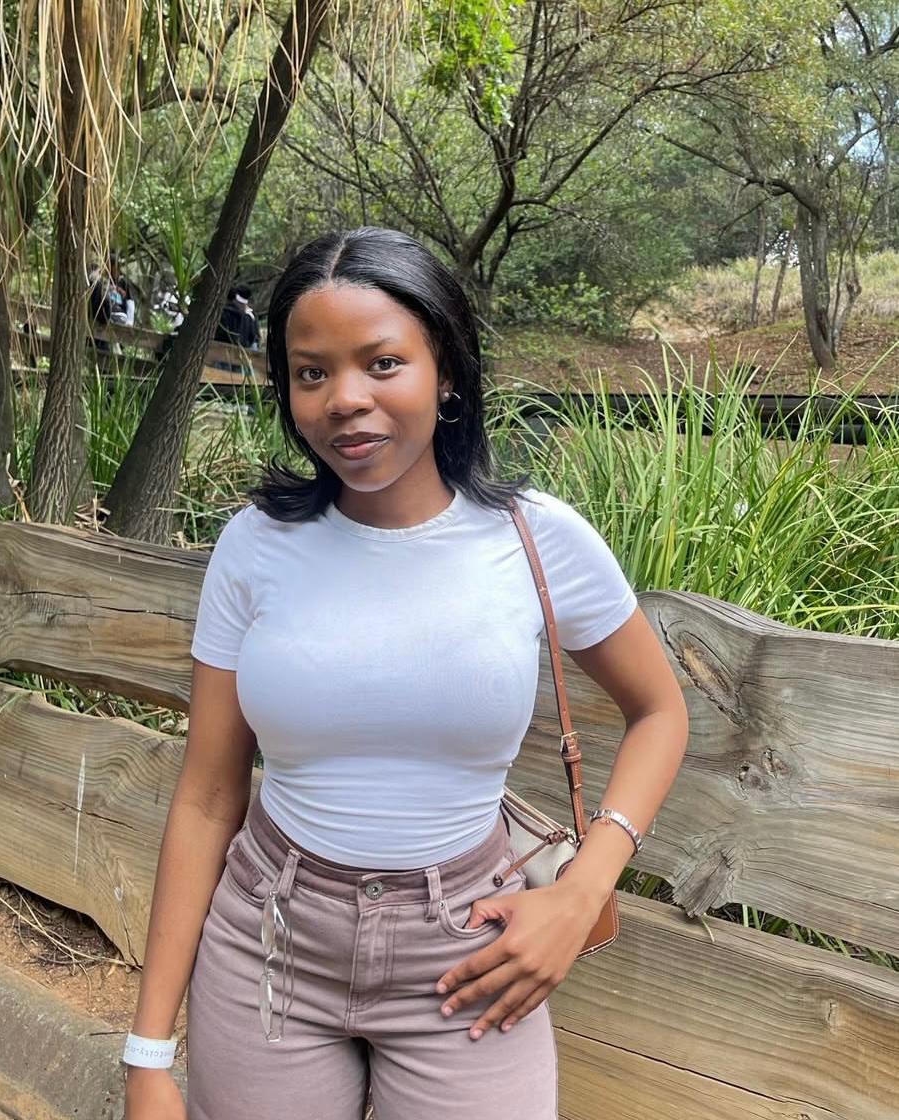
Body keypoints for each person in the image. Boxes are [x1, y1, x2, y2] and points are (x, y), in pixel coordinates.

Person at [122, 227, 689, 1120]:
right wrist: (148, 1055)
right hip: (269, 938)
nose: (345, 399)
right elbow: (206, 797)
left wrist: (583, 892)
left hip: (468, 949)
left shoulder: (535, 538)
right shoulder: (256, 546)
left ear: (446, 370)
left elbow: (658, 711)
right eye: (311, 373)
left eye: (382, 363)